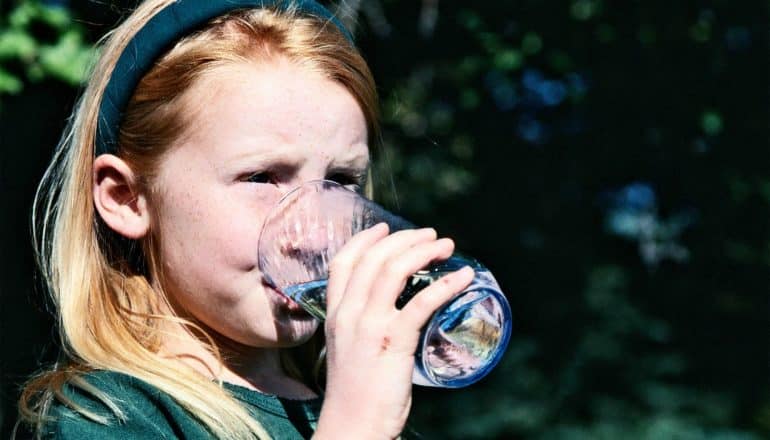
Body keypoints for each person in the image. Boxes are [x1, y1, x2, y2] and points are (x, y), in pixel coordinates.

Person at [17, 0, 476, 438]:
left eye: (339, 181)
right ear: (128, 198)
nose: (315, 235)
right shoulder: (106, 417)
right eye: (260, 177)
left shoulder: (337, 401)